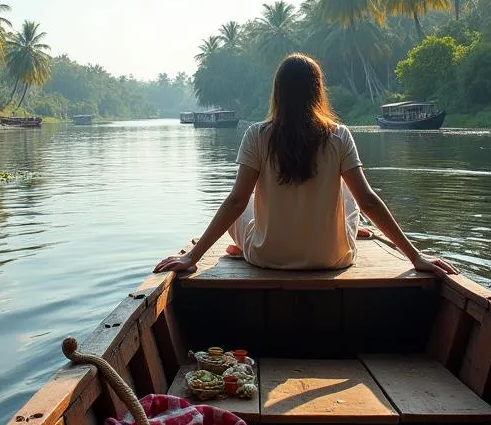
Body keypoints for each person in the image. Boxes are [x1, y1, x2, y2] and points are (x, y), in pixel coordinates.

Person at [154, 53, 458, 277]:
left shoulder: (257, 135)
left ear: (277, 93)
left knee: (241, 206)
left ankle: (244, 249)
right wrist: (415, 256)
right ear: (317, 91)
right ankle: (348, 231)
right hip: (333, 257)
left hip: (267, 257)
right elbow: (368, 199)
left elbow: (235, 202)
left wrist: (193, 256)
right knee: (351, 195)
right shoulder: (338, 135)